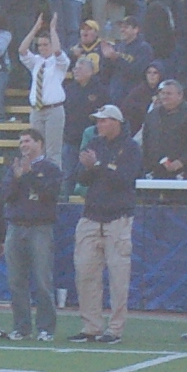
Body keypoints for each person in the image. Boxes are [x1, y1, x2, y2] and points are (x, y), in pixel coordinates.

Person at [69, 103, 141, 344]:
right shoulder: (94, 144)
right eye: (98, 121)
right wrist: (91, 168)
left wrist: (98, 166)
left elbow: (124, 179)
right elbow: (80, 177)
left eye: (103, 120)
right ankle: (91, 326)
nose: (99, 125)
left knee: (118, 277)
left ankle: (115, 328)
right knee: (85, 273)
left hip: (118, 218)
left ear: (116, 122)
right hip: (91, 215)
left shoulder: (131, 148)